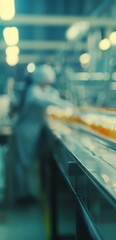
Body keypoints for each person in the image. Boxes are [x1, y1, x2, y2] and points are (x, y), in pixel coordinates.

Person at [11, 64, 73, 205]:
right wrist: (65, 105)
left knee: (27, 162)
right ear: (42, 79)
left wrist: (57, 98)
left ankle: (25, 192)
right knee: (24, 163)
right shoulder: (34, 90)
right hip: (26, 130)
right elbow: (44, 100)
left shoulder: (39, 89)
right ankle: (22, 195)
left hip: (32, 129)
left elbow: (49, 96)